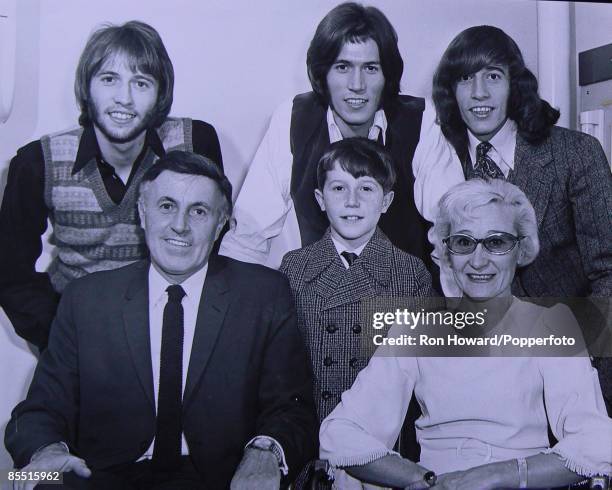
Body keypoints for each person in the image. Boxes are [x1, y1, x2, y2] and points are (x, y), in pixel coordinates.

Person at [5, 151, 317, 490]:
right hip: (103, 481)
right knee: (35, 481)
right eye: (166, 206)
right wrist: (46, 452)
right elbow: (38, 410)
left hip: (222, 482)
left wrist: (266, 451)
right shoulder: (86, 299)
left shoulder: (263, 295)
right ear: (142, 213)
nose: (179, 225)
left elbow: (293, 408)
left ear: (220, 224)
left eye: (199, 211)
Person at [319, 179, 612, 489]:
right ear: (446, 252)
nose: (478, 260)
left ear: (521, 249)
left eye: (496, 242)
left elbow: (596, 442)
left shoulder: (551, 326)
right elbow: (339, 434)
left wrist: (497, 476)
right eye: (463, 242)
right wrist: (423, 479)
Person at [0, 20, 223, 350]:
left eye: (142, 83)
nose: (124, 99)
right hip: (77, 334)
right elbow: (10, 273)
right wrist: (61, 338)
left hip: (169, 332)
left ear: (161, 93)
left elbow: (215, 241)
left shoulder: (194, 143)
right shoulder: (38, 163)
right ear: (87, 88)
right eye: (109, 79)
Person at [220, 2, 441, 275]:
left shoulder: (420, 119)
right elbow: (247, 237)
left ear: (387, 75)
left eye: (371, 68)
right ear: (323, 73)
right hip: (320, 302)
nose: (357, 84)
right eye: (343, 67)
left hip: (402, 302)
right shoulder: (293, 118)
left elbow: (454, 226)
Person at [413, 25, 612, 298]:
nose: (479, 92)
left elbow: (608, 272)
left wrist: (580, 340)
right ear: (451, 91)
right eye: (465, 78)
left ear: (514, 86)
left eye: (493, 76)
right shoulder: (440, 163)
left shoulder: (576, 153)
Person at [280, 139, 434, 485]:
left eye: (366, 188)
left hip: (381, 453)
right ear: (320, 199)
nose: (352, 201)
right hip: (310, 447)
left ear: (387, 201)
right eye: (339, 188)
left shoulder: (410, 274)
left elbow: (428, 377)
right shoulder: (294, 269)